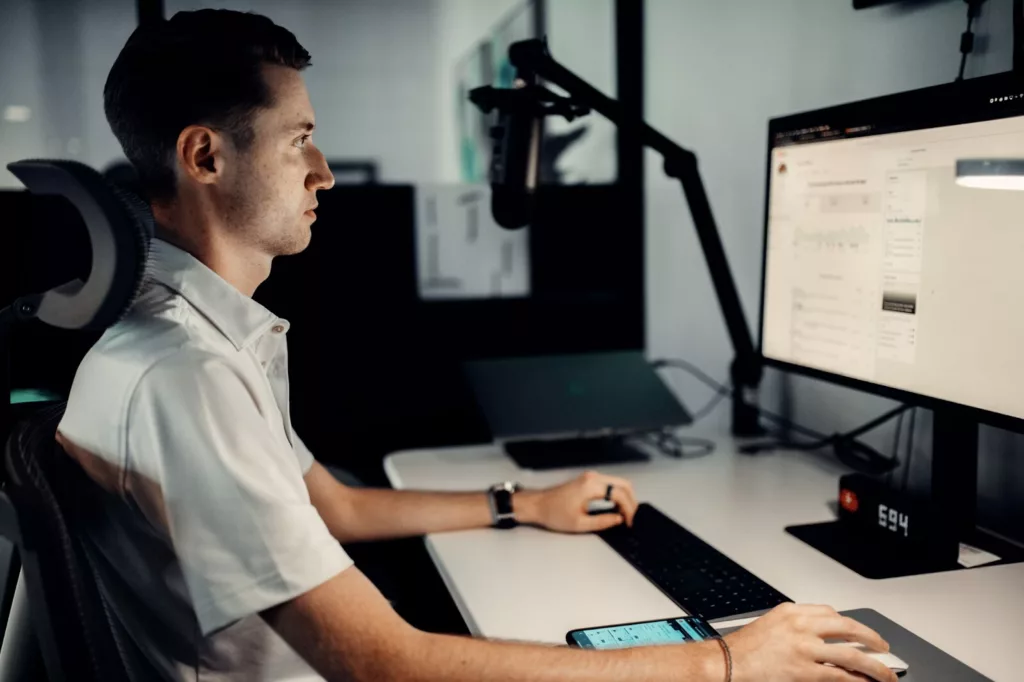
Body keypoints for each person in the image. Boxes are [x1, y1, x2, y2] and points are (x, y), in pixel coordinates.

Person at [55, 9, 898, 682]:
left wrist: (523, 504)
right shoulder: (186, 375)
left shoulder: (204, 336)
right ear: (204, 155)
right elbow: (383, 664)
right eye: (297, 139)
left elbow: (334, 509)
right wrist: (723, 661)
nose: (325, 173)